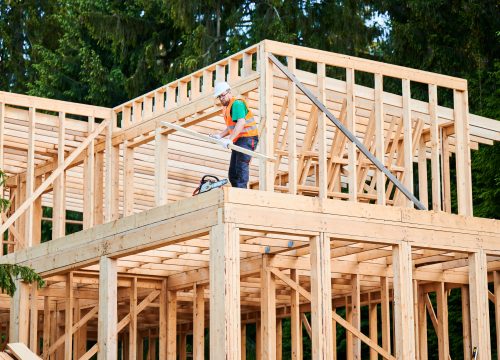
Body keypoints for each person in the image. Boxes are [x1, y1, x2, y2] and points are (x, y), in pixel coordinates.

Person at [210, 81, 259, 189]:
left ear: (229, 92)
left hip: (248, 138)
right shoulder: (227, 108)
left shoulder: (237, 103)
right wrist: (220, 135)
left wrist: (230, 140)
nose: (221, 99)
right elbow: (231, 127)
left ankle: (241, 195)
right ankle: (237, 193)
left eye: (222, 95)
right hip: (239, 139)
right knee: (233, 174)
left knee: (240, 169)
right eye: (219, 97)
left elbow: (241, 122)